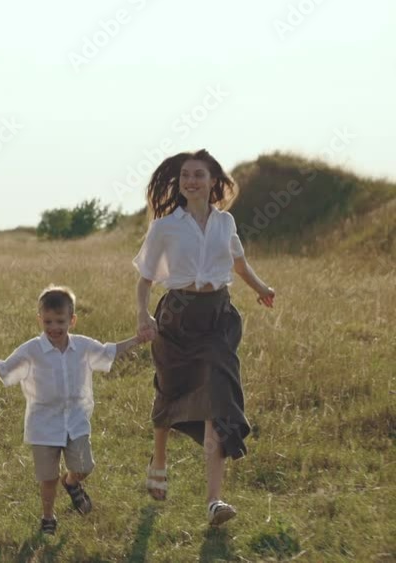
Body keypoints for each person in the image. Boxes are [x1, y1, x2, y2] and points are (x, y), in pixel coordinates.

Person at [133, 149, 276, 527]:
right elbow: (146, 278)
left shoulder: (225, 222)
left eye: (199, 175)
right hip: (177, 316)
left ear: (214, 181)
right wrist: (143, 314)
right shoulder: (164, 226)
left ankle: (214, 501)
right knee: (171, 389)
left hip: (217, 317)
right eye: (185, 176)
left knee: (218, 400)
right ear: (179, 184)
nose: (191, 181)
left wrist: (261, 287)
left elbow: (238, 262)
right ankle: (159, 459)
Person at [0, 286, 144, 534]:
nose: (54, 327)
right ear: (39, 320)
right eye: (47, 322)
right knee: (48, 478)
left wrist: (137, 339)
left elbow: (108, 352)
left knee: (84, 467)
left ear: (72, 320)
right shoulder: (31, 350)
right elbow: (5, 367)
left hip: (75, 421)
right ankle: (48, 518)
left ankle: (72, 482)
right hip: (43, 425)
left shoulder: (83, 347)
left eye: (60, 321)